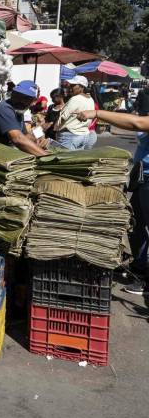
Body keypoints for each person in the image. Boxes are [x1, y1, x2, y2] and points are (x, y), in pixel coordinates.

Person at [76, 107, 149, 295]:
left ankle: (145, 282)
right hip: (143, 178)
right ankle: (140, 269)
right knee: (138, 227)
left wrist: (97, 114)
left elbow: (137, 123)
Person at [0, 80, 48, 156]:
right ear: (12, 94)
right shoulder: (5, 108)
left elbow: (25, 137)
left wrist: (37, 137)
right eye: (17, 95)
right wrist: (47, 157)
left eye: (26, 98)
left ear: (34, 101)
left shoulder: (19, 111)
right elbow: (17, 139)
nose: (20, 100)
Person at [55, 75, 96, 150]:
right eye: (70, 85)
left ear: (82, 87)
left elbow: (63, 117)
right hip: (84, 135)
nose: (70, 87)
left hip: (70, 136)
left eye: (73, 85)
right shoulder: (90, 99)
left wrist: (55, 128)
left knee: (65, 159)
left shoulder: (75, 99)